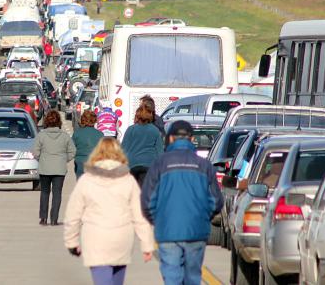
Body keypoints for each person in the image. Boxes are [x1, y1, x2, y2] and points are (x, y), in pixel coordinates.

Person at [141, 120, 224, 285]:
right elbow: (216, 201)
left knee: (172, 277)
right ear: (191, 138)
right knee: (193, 277)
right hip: (196, 230)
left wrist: (158, 220)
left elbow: (147, 201)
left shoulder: (160, 164)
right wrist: (203, 216)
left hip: (168, 231)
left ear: (170, 138)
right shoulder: (204, 165)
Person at [64, 137, 155, 285]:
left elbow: (73, 214)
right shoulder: (128, 180)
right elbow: (139, 215)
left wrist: (71, 241)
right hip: (121, 239)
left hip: (95, 238)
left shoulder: (86, 180)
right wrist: (147, 244)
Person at [32, 110, 75, 226]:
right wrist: (64, 159)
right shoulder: (65, 136)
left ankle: (43, 217)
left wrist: (41, 158)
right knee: (57, 193)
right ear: (59, 122)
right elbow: (72, 151)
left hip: (45, 167)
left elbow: (35, 151)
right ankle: (54, 218)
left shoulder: (41, 135)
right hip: (59, 168)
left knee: (45, 192)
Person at [120, 103, 164, 187]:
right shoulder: (155, 130)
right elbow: (160, 151)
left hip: (132, 164)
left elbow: (123, 149)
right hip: (149, 164)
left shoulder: (131, 129)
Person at [71, 110, 103, 179]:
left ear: (83, 120)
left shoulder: (77, 133)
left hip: (80, 163)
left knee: (81, 186)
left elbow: (71, 149)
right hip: (95, 163)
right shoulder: (100, 134)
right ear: (94, 120)